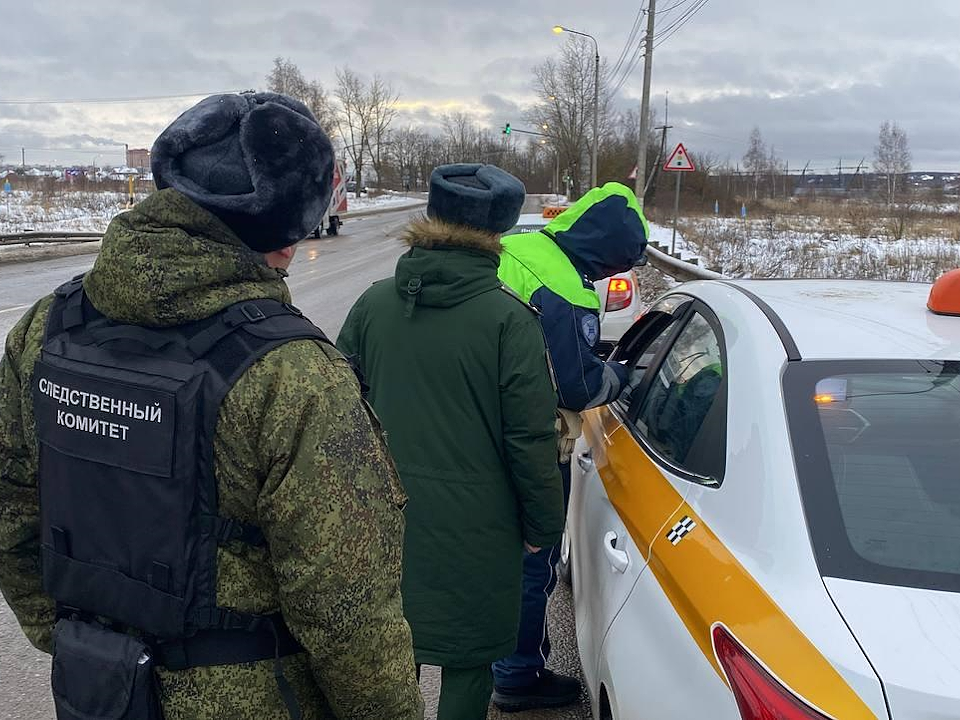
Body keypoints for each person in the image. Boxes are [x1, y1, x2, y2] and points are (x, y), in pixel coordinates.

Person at [0, 92, 423, 720]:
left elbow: (12, 516)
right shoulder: (294, 373)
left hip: (99, 693)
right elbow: (348, 613)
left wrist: (83, 641)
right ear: (279, 236)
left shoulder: (45, 331)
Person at [337, 163, 565, 720]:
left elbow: (341, 409)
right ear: (499, 233)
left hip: (384, 519)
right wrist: (542, 526)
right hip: (481, 529)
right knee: (470, 660)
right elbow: (530, 438)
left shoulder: (373, 304)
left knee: (390, 650)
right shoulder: (509, 320)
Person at [492, 182, 649, 712]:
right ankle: (516, 674)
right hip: (529, 439)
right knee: (531, 560)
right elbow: (577, 386)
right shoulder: (567, 287)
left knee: (492, 554)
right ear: (606, 252)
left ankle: (490, 656)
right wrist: (622, 378)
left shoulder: (518, 247)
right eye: (616, 264)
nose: (609, 278)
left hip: (479, 421)